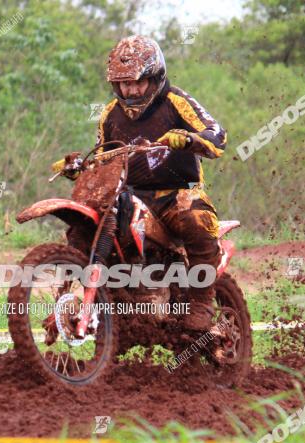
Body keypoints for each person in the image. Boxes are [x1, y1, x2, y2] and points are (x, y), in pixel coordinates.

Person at [53, 35, 227, 333]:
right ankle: (86, 301)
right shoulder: (110, 113)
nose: (130, 90)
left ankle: (201, 302)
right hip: (128, 194)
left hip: (177, 193)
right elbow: (104, 155)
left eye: (137, 82)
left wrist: (189, 140)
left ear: (155, 77)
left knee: (195, 218)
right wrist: (79, 167)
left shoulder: (176, 102)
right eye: (123, 84)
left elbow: (218, 134)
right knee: (85, 225)